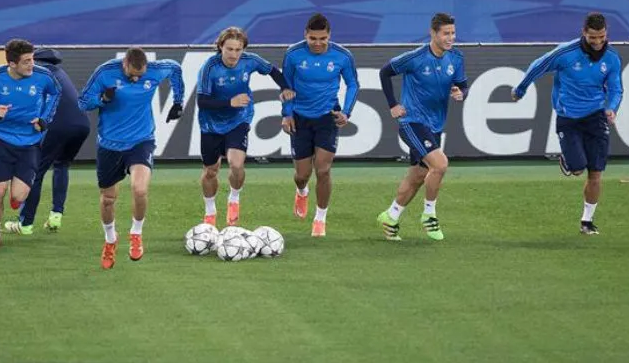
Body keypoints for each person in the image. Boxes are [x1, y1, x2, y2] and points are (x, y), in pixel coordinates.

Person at [512, 12, 623, 234]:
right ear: (584, 33)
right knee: (578, 169)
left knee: (596, 173)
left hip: (596, 117)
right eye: (593, 37)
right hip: (568, 118)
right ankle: (568, 159)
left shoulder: (611, 58)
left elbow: (616, 89)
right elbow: (538, 66)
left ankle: (587, 221)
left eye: (602, 37)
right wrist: (521, 89)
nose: (598, 42)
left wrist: (611, 108)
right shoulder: (566, 53)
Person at [79, 47, 185, 269]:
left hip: (141, 140)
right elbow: (83, 102)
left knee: (140, 190)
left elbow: (175, 69)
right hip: (110, 144)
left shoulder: (156, 70)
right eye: (132, 75)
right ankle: (110, 240)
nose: (136, 78)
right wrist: (102, 99)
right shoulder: (105, 72)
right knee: (108, 199)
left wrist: (178, 101)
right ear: (124, 64)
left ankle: (136, 234)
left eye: (140, 74)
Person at [376, 13, 467, 241]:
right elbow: (385, 72)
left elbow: (463, 84)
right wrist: (393, 105)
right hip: (412, 122)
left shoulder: (455, 58)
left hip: (435, 124)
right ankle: (429, 215)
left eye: (453, 33)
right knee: (441, 164)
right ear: (433, 33)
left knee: (419, 174)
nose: (450, 38)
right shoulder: (415, 57)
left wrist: (460, 92)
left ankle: (391, 215)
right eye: (446, 33)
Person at [197, 27, 294, 227]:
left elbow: (273, 71)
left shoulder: (251, 61)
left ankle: (234, 198)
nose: (234, 54)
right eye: (229, 49)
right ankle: (210, 210)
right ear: (220, 47)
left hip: (239, 119)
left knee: (236, 164)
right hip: (211, 124)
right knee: (210, 171)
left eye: (238, 49)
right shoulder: (209, 68)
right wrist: (229, 102)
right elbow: (202, 101)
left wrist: (284, 87)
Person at [0, 39, 61, 248]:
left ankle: (16, 198)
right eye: (26, 61)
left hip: (30, 142)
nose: (31, 64)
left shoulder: (43, 76)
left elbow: (55, 93)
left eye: (32, 59)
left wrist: (44, 120)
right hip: (0, 140)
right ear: (12, 64)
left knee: (18, 196)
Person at [281, 13, 359, 237]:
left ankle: (320, 218)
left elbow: (353, 84)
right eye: (312, 38)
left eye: (322, 38)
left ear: (329, 36)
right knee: (302, 174)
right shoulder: (293, 54)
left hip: (327, 117)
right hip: (300, 117)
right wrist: (287, 114)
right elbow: (286, 84)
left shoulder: (342, 56)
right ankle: (301, 190)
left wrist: (346, 112)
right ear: (305, 35)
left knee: (323, 170)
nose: (317, 43)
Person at [4, 48, 90, 235]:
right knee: (62, 165)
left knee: (35, 172)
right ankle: (56, 216)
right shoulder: (59, 73)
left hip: (59, 126)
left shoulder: (36, 74)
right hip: (82, 124)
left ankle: (25, 224)